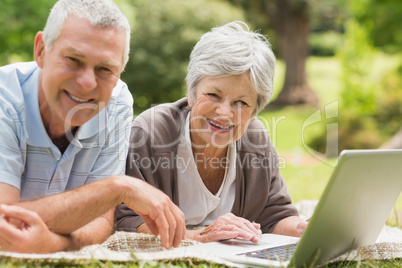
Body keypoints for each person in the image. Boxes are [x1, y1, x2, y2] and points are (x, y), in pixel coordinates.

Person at [0, 0, 185, 253]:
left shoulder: (117, 104)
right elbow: (3, 223)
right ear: (41, 50)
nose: (87, 83)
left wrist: (54, 244)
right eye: (74, 59)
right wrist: (117, 187)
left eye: (105, 69)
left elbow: (101, 221)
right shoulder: (5, 100)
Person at [115, 21, 308, 243]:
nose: (225, 112)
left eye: (241, 103)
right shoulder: (150, 133)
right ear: (192, 92)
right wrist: (198, 236)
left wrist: (304, 228)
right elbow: (128, 220)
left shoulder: (256, 140)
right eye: (214, 95)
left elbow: (276, 217)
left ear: (255, 110)